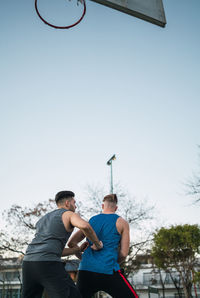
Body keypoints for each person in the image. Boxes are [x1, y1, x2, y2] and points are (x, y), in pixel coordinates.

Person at [22, 190, 103, 298]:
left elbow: (52, 250)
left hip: (28, 264)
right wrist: (97, 244)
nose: (76, 206)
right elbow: (85, 226)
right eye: (74, 203)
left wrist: (77, 249)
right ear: (67, 203)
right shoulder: (68, 214)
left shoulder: (43, 219)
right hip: (48, 264)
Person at [68, 193, 138, 298]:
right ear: (116, 208)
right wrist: (111, 261)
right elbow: (123, 254)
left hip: (86, 270)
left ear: (102, 206)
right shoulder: (122, 222)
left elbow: (71, 243)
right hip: (108, 270)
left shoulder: (91, 221)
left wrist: (82, 257)